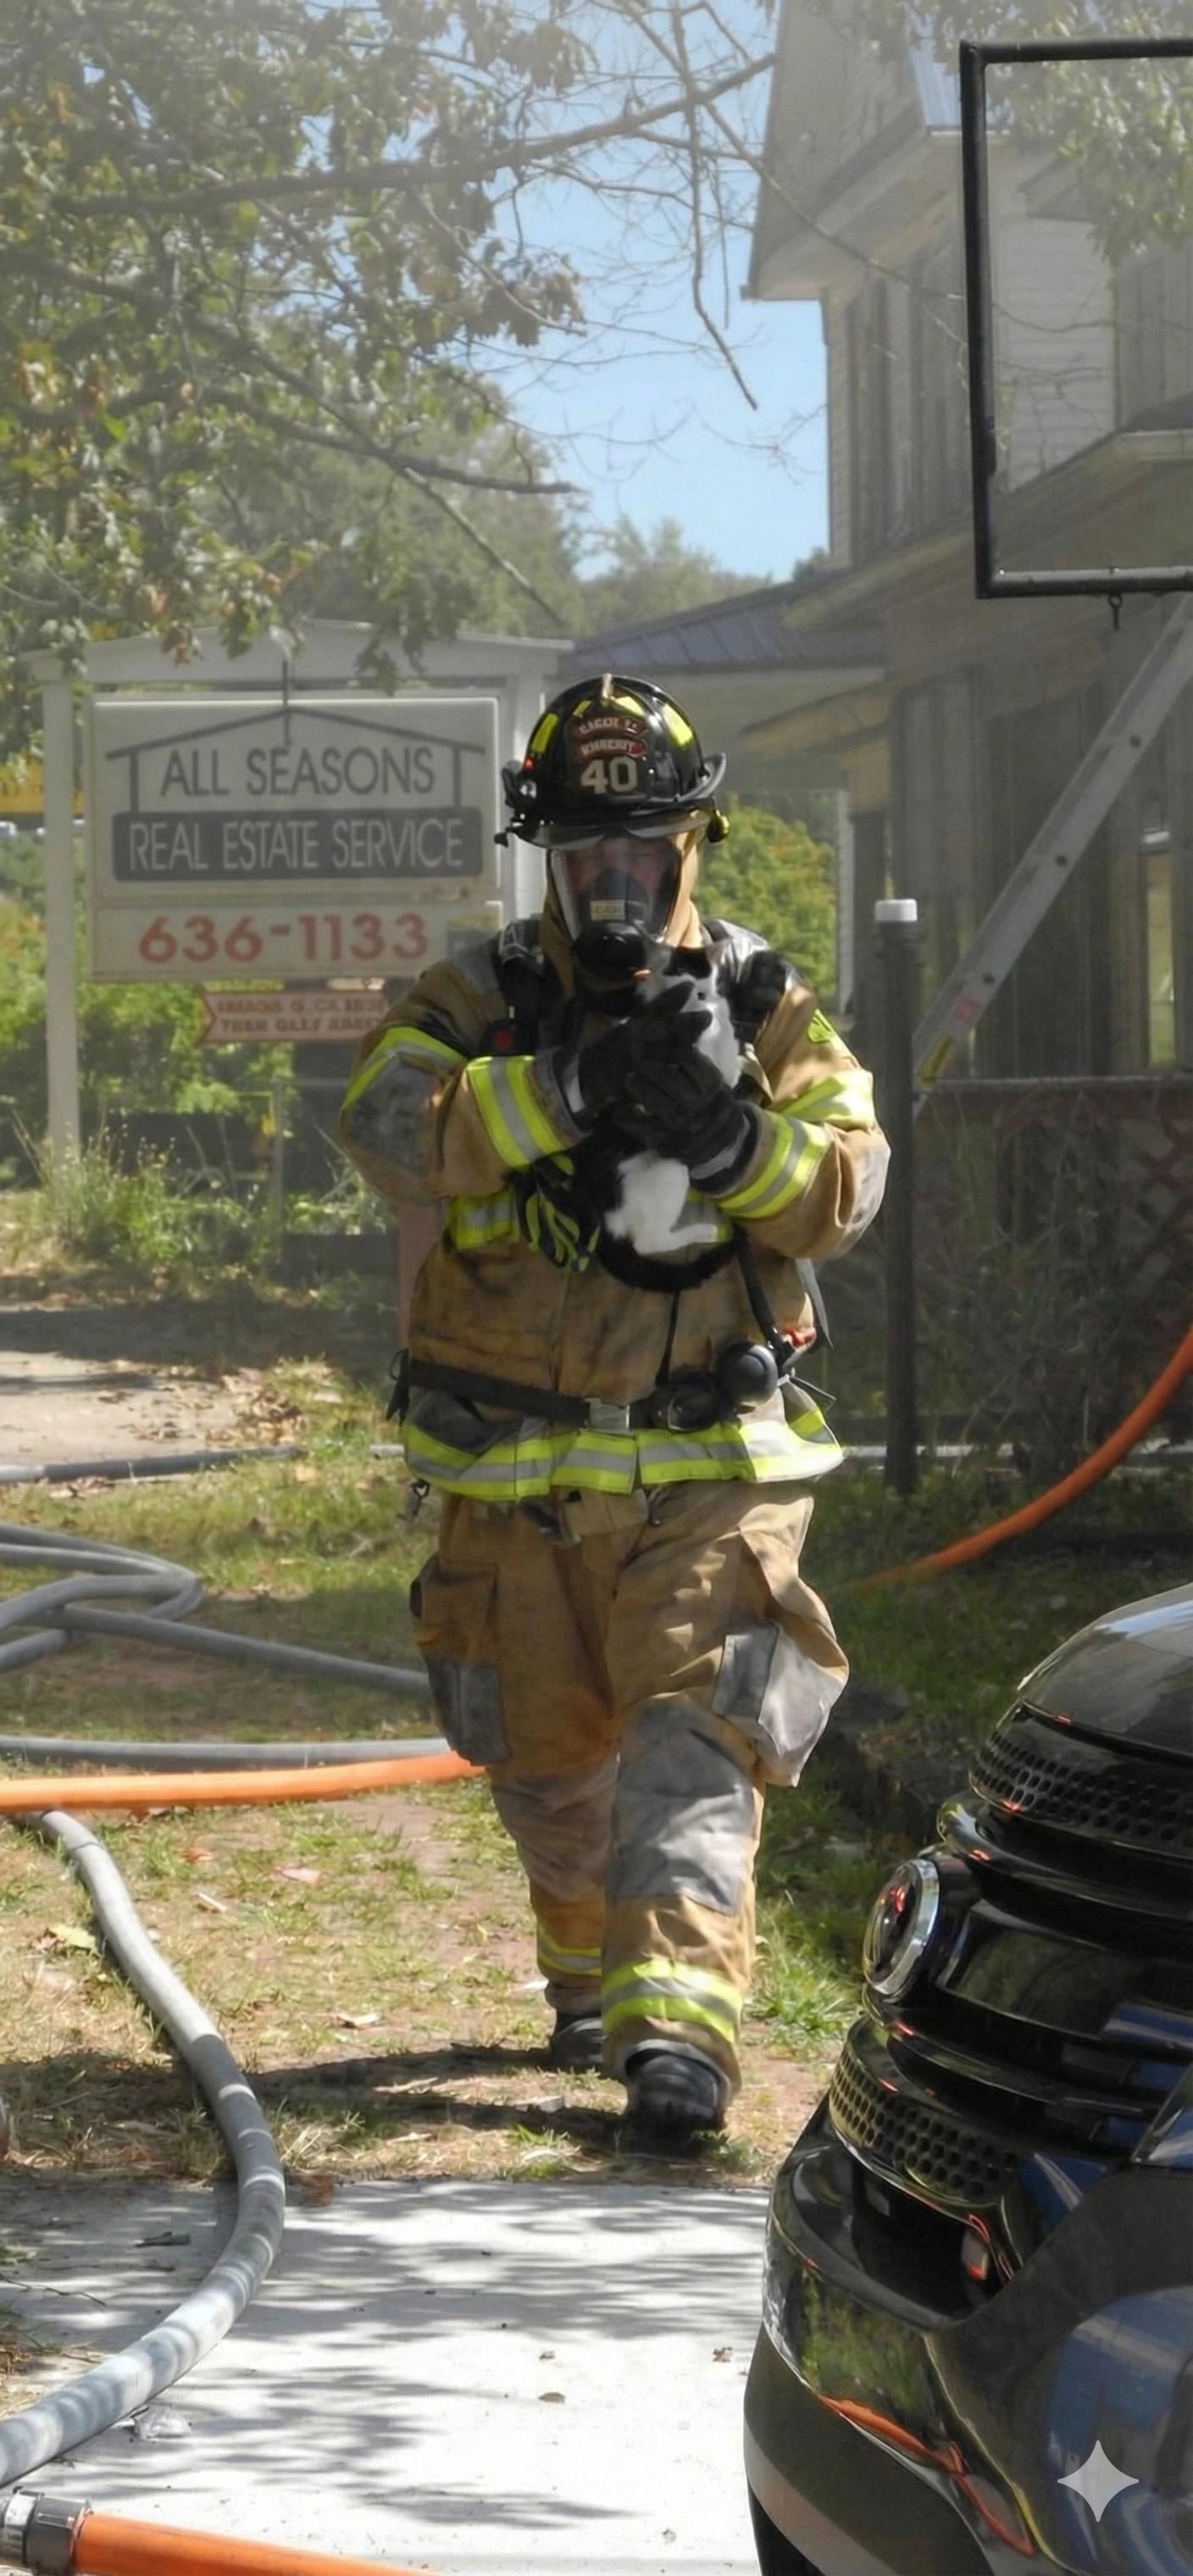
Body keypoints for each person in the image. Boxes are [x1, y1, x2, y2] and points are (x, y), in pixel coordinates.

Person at [340, 675, 889, 2139]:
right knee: (549, 1772)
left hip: (713, 1465)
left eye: (642, 849)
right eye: (587, 854)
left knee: (691, 1740)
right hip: (515, 1480)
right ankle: (588, 1984)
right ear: (549, 858)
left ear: (691, 845)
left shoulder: (768, 1004)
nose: (616, 882)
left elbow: (844, 1189)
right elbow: (387, 1124)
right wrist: (563, 1092)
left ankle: (680, 2047)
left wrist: (725, 1129)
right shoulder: (481, 998)